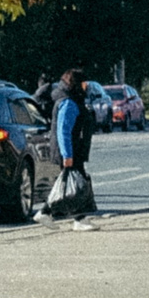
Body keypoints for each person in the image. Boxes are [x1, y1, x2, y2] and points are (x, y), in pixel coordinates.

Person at [49, 67, 96, 217]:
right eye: (84, 83)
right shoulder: (69, 103)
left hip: (74, 151)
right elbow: (63, 131)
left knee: (72, 185)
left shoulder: (73, 100)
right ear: (76, 84)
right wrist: (67, 155)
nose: (86, 86)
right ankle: (78, 219)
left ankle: (48, 212)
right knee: (77, 187)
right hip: (70, 153)